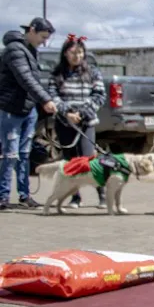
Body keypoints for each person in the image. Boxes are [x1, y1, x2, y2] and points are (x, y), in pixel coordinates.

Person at [0, 17, 57, 211]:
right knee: (10, 154)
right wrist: (45, 100)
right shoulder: (15, 50)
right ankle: (3, 197)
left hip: (28, 109)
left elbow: (36, 81)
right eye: (42, 36)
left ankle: (25, 196)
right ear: (31, 30)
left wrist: (45, 101)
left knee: (25, 154)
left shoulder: (31, 51)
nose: (44, 41)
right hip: (11, 110)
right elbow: (25, 79)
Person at [47, 34, 107, 208]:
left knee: (89, 159)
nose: (77, 56)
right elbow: (53, 96)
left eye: (80, 53)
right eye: (73, 52)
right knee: (71, 161)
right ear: (65, 53)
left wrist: (83, 113)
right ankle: (75, 197)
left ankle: (102, 194)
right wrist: (67, 113)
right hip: (65, 123)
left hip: (86, 122)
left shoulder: (93, 72)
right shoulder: (57, 73)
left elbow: (99, 95)